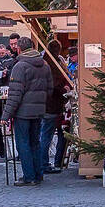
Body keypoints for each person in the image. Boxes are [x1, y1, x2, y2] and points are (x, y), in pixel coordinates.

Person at [2, 37, 51, 185]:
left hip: (23, 112)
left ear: (19, 49)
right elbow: (49, 89)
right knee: (35, 142)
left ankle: (29, 176)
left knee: (23, 143)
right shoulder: (44, 65)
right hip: (39, 110)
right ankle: (38, 174)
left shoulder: (20, 66)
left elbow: (15, 95)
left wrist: (5, 115)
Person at [41, 40, 69, 174]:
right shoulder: (51, 63)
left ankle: (46, 162)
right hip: (51, 104)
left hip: (47, 103)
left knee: (46, 134)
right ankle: (44, 164)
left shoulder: (47, 61)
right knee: (46, 135)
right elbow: (54, 84)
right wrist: (65, 90)